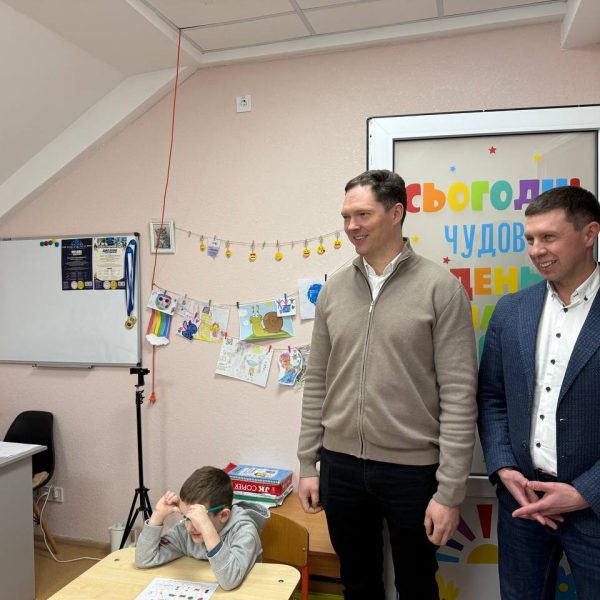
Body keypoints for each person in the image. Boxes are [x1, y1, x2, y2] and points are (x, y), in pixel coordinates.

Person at [297, 169, 478, 599]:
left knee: (416, 584)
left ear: (396, 213)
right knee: (357, 583)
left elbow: (459, 396)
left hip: (413, 472)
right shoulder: (333, 290)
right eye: (346, 216)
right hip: (340, 466)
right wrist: (307, 464)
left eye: (363, 214)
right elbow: (317, 379)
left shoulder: (440, 289)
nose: (351, 226)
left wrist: (450, 491)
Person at [477, 185, 600, 599]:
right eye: (530, 239)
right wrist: (504, 467)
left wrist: (586, 492)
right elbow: (492, 397)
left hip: (594, 510)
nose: (536, 250)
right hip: (523, 502)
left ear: (589, 234)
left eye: (548, 237)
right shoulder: (512, 310)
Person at [135, 466, 268, 590]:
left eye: (197, 519)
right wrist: (157, 515)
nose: (189, 528)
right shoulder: (186, 532)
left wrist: (206, 528)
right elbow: (144, 559)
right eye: (186, 517)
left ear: (223, 515)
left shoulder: (244, 532)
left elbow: (229, 581)